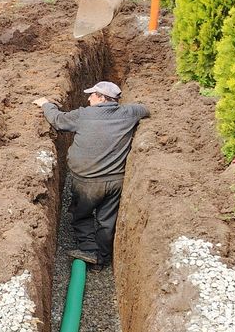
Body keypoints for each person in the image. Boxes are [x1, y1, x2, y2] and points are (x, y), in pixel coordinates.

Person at [32, 81, 149, 267]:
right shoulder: (129, 113)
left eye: (92, 95)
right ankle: (102, 258)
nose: (88, 98)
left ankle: (88, 248)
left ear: (102, 98)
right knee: (107, 220)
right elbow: (145, 109)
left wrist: (46, 104)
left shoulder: (83, 115)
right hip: (115, 181)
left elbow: (57, 120)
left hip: (86, 181)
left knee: (81, 214)